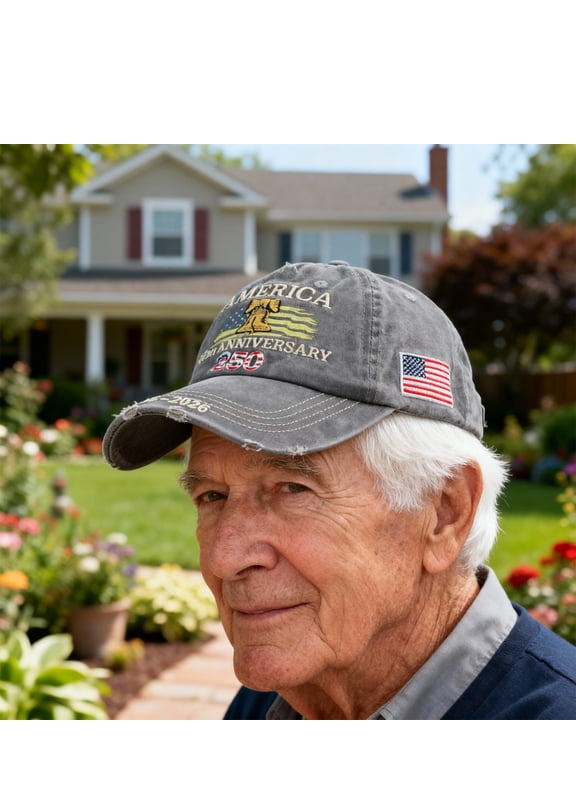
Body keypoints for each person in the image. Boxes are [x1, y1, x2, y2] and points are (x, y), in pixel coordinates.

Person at [103, 261, 576, 720]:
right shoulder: (268, 702)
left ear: (444, 512)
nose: (225, 558)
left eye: (292, 488)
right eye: (212, 496)